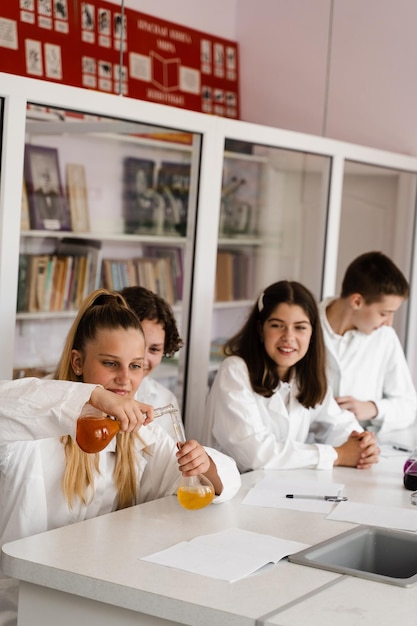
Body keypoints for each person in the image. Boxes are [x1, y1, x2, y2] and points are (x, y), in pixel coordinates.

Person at [0, 289, 241, 626]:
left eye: (136, 366)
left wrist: (206, 465)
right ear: (78, 362)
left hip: (99, 601)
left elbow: (217, 481)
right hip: (26, 607)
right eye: (110, 363)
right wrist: (94, 397)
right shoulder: (34, 427)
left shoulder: (142, 436)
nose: (125, 380)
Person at [203, 280, 380, 473]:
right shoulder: (235, 371)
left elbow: (337, 424)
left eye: (300, 327)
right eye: (277, 325)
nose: (288, 337)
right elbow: (256, 454)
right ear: (260, 329)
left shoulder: (306, 376)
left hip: (281, 490)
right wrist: (338, 455)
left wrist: (362, 444)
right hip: (232, 493)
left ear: (312, 333)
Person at [319, 251, 417, 433]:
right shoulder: (304, 328)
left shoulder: (384, 336)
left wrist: (373, 408)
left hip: (362, 450)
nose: (389, 322)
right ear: (356, 301)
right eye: (384, 313)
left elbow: (409, 407)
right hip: (309, 450)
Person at [120, 286, 183, 440]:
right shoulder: (67, 391)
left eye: (154, 349)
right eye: (137, 345)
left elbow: (172, 460)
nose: (142, 360)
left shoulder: (165, 400)